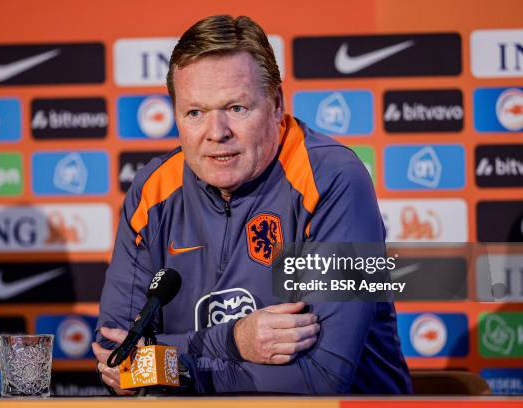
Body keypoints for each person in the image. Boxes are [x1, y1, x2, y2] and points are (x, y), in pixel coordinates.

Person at [93, 14, 412, 395]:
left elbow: (323, 375)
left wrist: (168, 362)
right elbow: (118, 358)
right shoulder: (154, 189)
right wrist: (234, 341)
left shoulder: (333, 178)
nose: (217, 133)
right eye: (195, 112)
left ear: (276, 104)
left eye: (236, 108)